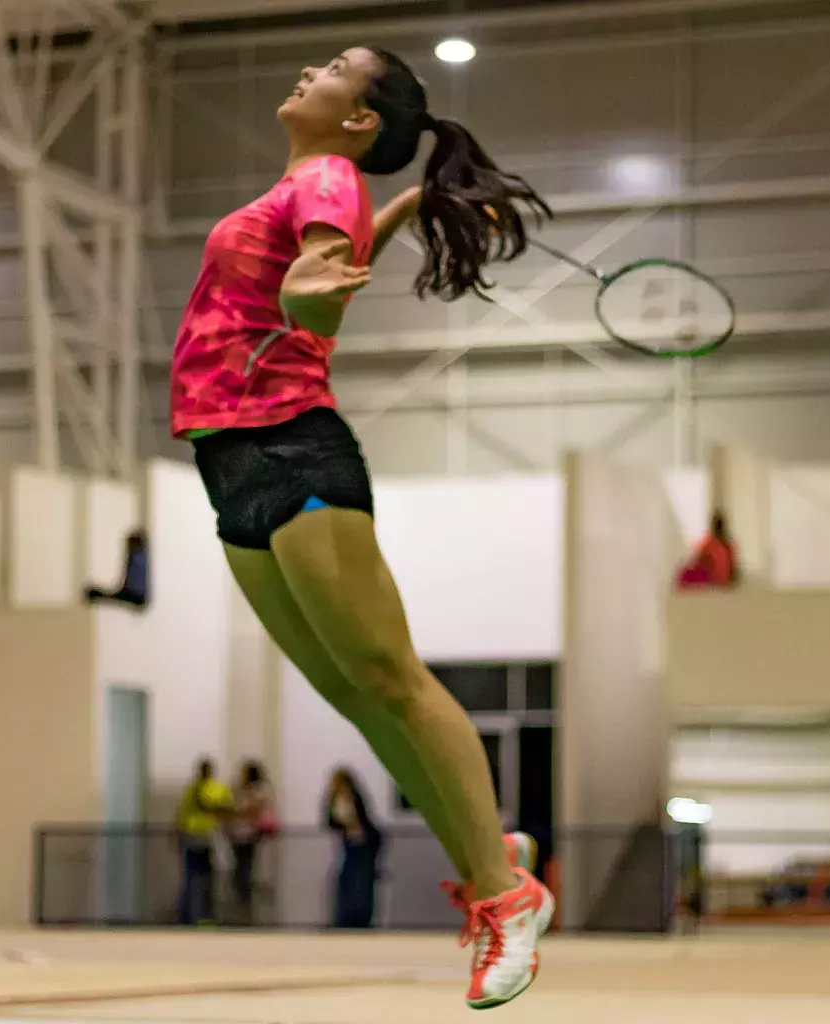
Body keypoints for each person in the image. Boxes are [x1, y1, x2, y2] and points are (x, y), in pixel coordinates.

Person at [166, 45, 552, 1007]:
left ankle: (506, 895)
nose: (308, 69)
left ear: (359, 120)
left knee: (391, 678)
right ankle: (489, 846)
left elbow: (313, 286)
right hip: (230, 465)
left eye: (335, 67)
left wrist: (313, 291)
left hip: (291, 448)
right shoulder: (315, 185)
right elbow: (318, 259)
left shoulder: (327, 178)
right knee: (353, 692)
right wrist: (413, 208)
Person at [323, 768, 385, 929]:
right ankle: (349, 917)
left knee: (359, 881)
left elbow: (349, 820)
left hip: (363, 843)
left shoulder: (347, 798)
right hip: (355, 844)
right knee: (351, 880)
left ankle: (356, 918)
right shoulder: (343, 798)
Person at [174, 758, 233, 925]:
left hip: (212, 838)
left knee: (210, 880)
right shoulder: (192, 789)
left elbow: (227, 809)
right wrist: (178, 833)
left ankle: (207, 915)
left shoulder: (219, 788)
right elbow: (182, 812)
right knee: (190, 877)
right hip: (193, 837)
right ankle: (185, 916)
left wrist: (209, 806)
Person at [226, 760, 276, 922]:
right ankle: (241, 908)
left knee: (245, 872)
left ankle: (248, 911)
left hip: (250, 836)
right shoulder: (238, 790)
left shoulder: (259, 790)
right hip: (237, 835)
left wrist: (241, 812)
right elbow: (232, 810)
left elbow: (253, 810)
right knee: (238, 873)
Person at [85, 529, 149, 609]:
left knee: (92, 592)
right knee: (93, 592)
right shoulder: (140, 557)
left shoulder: (137, 557)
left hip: (134, 595)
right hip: (133, 593)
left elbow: (133, 586)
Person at [676, 512, 739, 590]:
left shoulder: (710, 543)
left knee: (685, 573)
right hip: (723, 580)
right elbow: (734, 567)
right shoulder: (727, 545)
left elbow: (698, 559)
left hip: (712, 579)